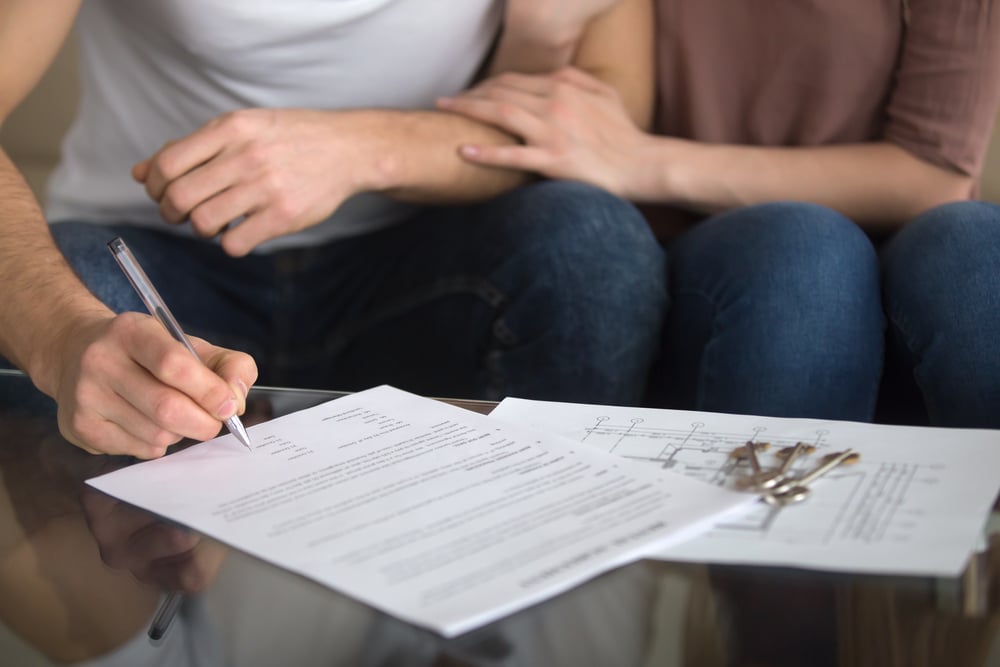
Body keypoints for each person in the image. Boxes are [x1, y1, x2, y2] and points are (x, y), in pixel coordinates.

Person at [0, 0, 667, 459]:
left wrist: (364, 149)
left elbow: (607, 118)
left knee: (592, 246)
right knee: (56, 305)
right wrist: (58, 335)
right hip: (155, 267)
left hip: (426, 268)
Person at [437, 0, 1000, 427]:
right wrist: (539, 34)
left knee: (975, 243)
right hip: (699, 261)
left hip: (901, 257)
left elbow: (933, 174)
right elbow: (546, 124)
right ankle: (772, 574)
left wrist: (645, 162)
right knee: (802, 250)